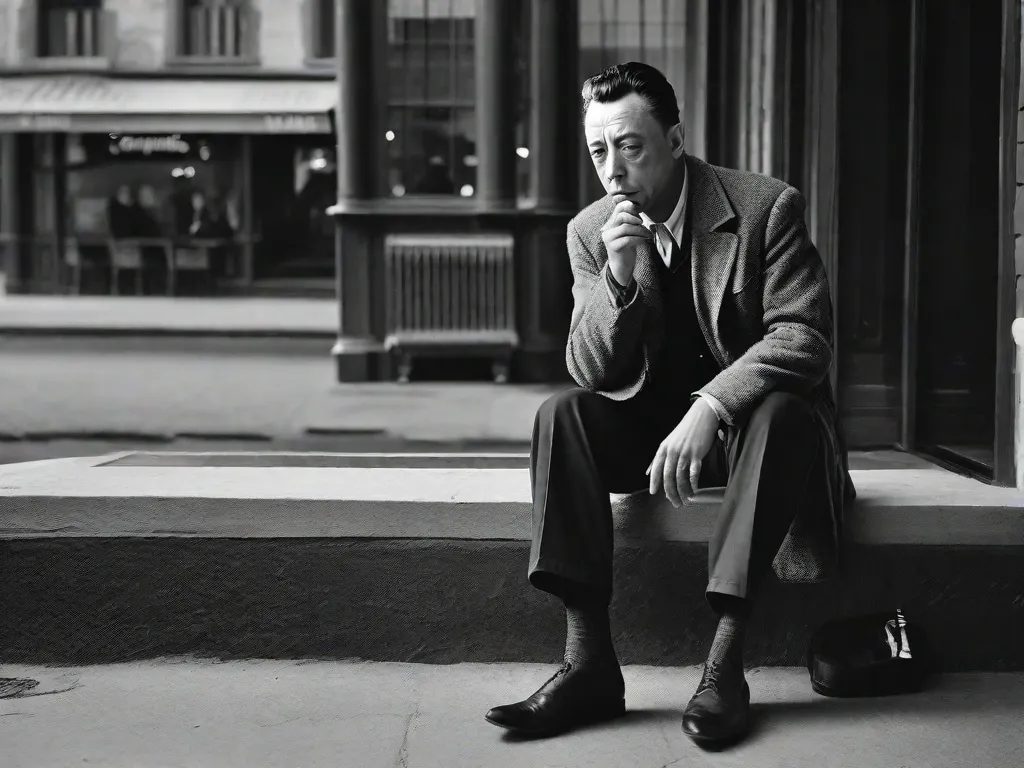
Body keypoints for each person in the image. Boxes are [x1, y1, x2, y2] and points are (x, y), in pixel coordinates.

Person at [484, 62, 854, 746]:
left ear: (676, 138)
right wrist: (617, 284)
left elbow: (804, 337)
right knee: (559, 414)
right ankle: (588, 663)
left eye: (630, 145)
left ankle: (724, 666)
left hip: (753, 439)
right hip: (654, 436)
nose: (613, 169)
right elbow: (588, 368)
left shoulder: (765, 207)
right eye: (599, 151)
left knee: (784, 412)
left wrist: (713, 405)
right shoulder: (590, 232)